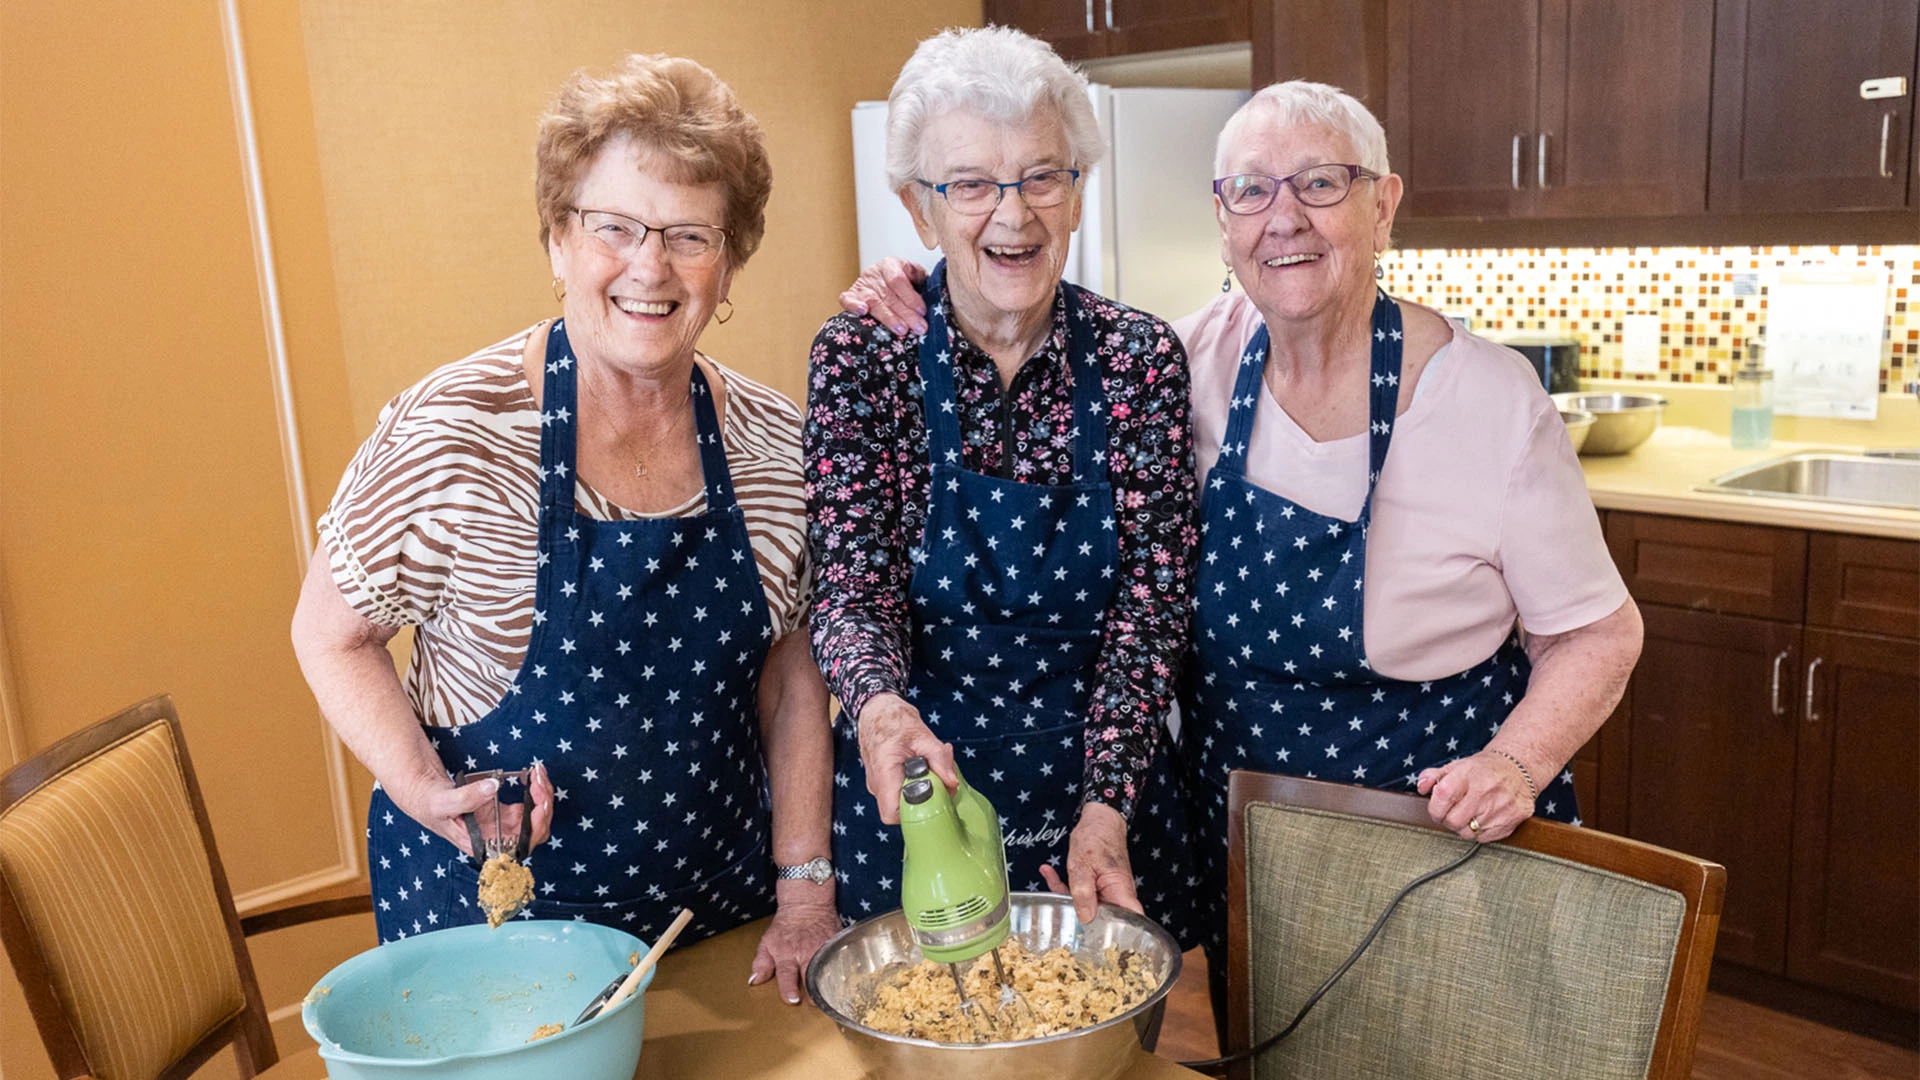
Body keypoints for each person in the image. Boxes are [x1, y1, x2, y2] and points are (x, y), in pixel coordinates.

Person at [840, 79, 1643, 1020]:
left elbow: (1597, 636)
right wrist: (911, 288)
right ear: (1222, 223)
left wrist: (1512, 767)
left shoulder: (1491, 402)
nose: (1284, 219)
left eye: (1321, 184)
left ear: (1383, 205)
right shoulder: (1188, 363)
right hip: (1250, 844)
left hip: (1436, 836)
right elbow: (1039, 353)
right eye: (1251, 192)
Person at [290, 54, 839, 1003]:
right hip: (497, 938)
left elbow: (793, 678)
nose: (650, 267)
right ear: (556, 242)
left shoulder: (777, 445)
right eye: (613, 227)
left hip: (718, 934)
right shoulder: (453, 433)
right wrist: (423, 791)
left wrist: (804, 889)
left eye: (690, 235)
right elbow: (329, 634)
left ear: (730, 261)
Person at [804, 26, 1200, 945]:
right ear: (918, 209)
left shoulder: (1140, 361)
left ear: (1076, 193)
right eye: (971, 185)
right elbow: (850, 591)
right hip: (920, 792)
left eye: (1041, 177)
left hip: (1108, 799)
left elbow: (1152, 610)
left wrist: (1106, 807)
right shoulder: (865, 357)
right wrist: (878, 708)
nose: (1011, 214)